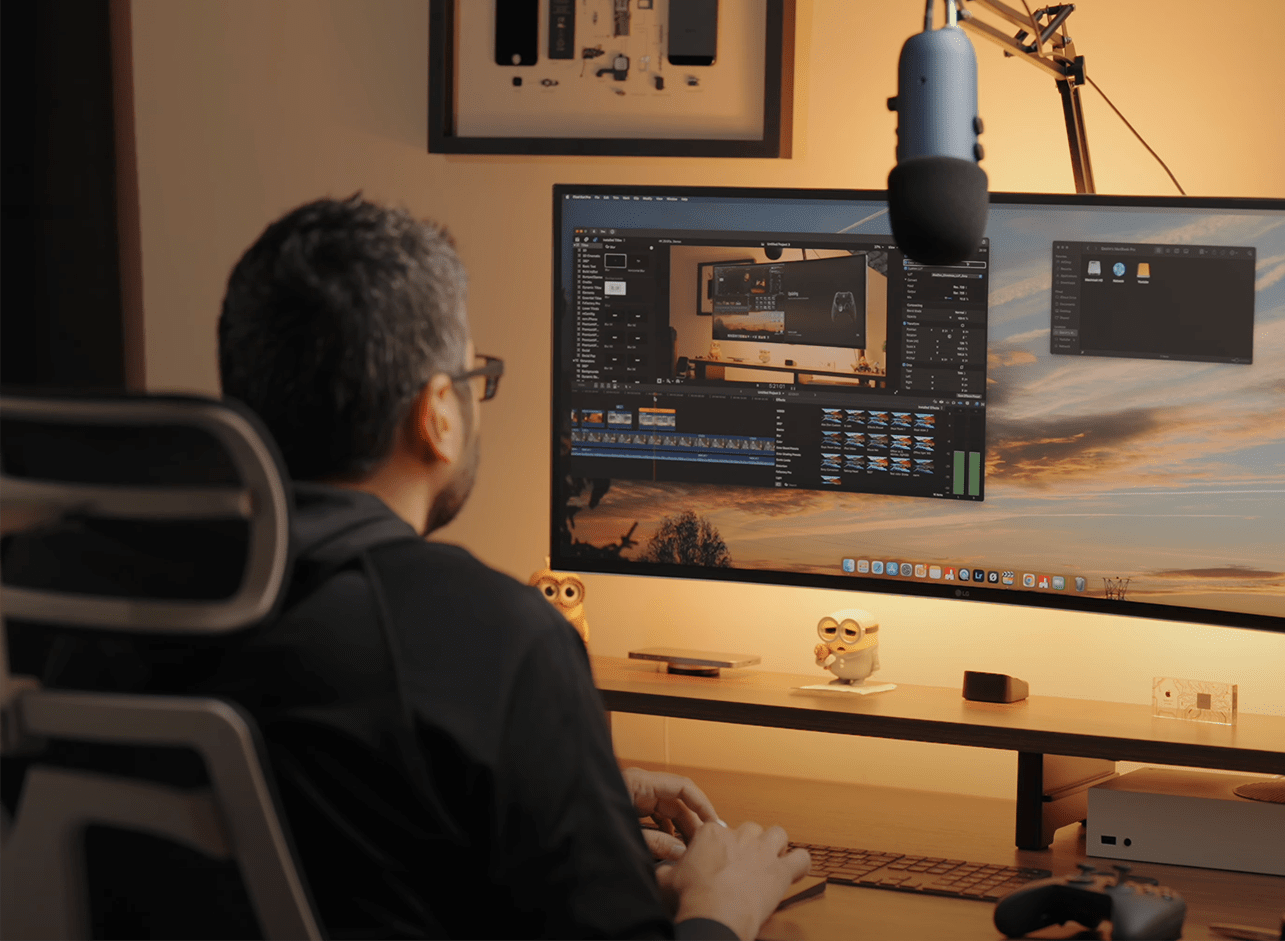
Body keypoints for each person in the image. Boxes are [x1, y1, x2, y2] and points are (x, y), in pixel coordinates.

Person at [39, 195, 808, 940]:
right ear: (437, 412)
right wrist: (721, 904)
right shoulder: (498, 640)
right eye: (476, 378)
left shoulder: (90, 601)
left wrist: (568, 795)